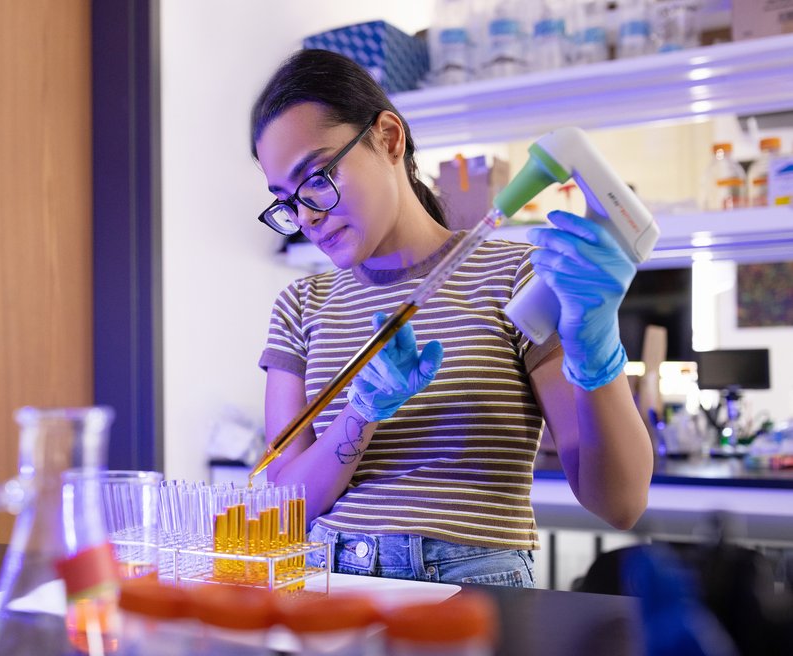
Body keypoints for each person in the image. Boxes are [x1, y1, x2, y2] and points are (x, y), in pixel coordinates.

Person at [252, 49, 653, 587]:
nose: (307, 218)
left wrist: (596, 349)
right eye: (287, 201)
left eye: (318, 178)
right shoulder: (301, 305)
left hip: (475, 587)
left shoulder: (518, 278)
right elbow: (285, 510)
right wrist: (361, 412)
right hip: (331, 585)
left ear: (389, 138)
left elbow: (619, 503)